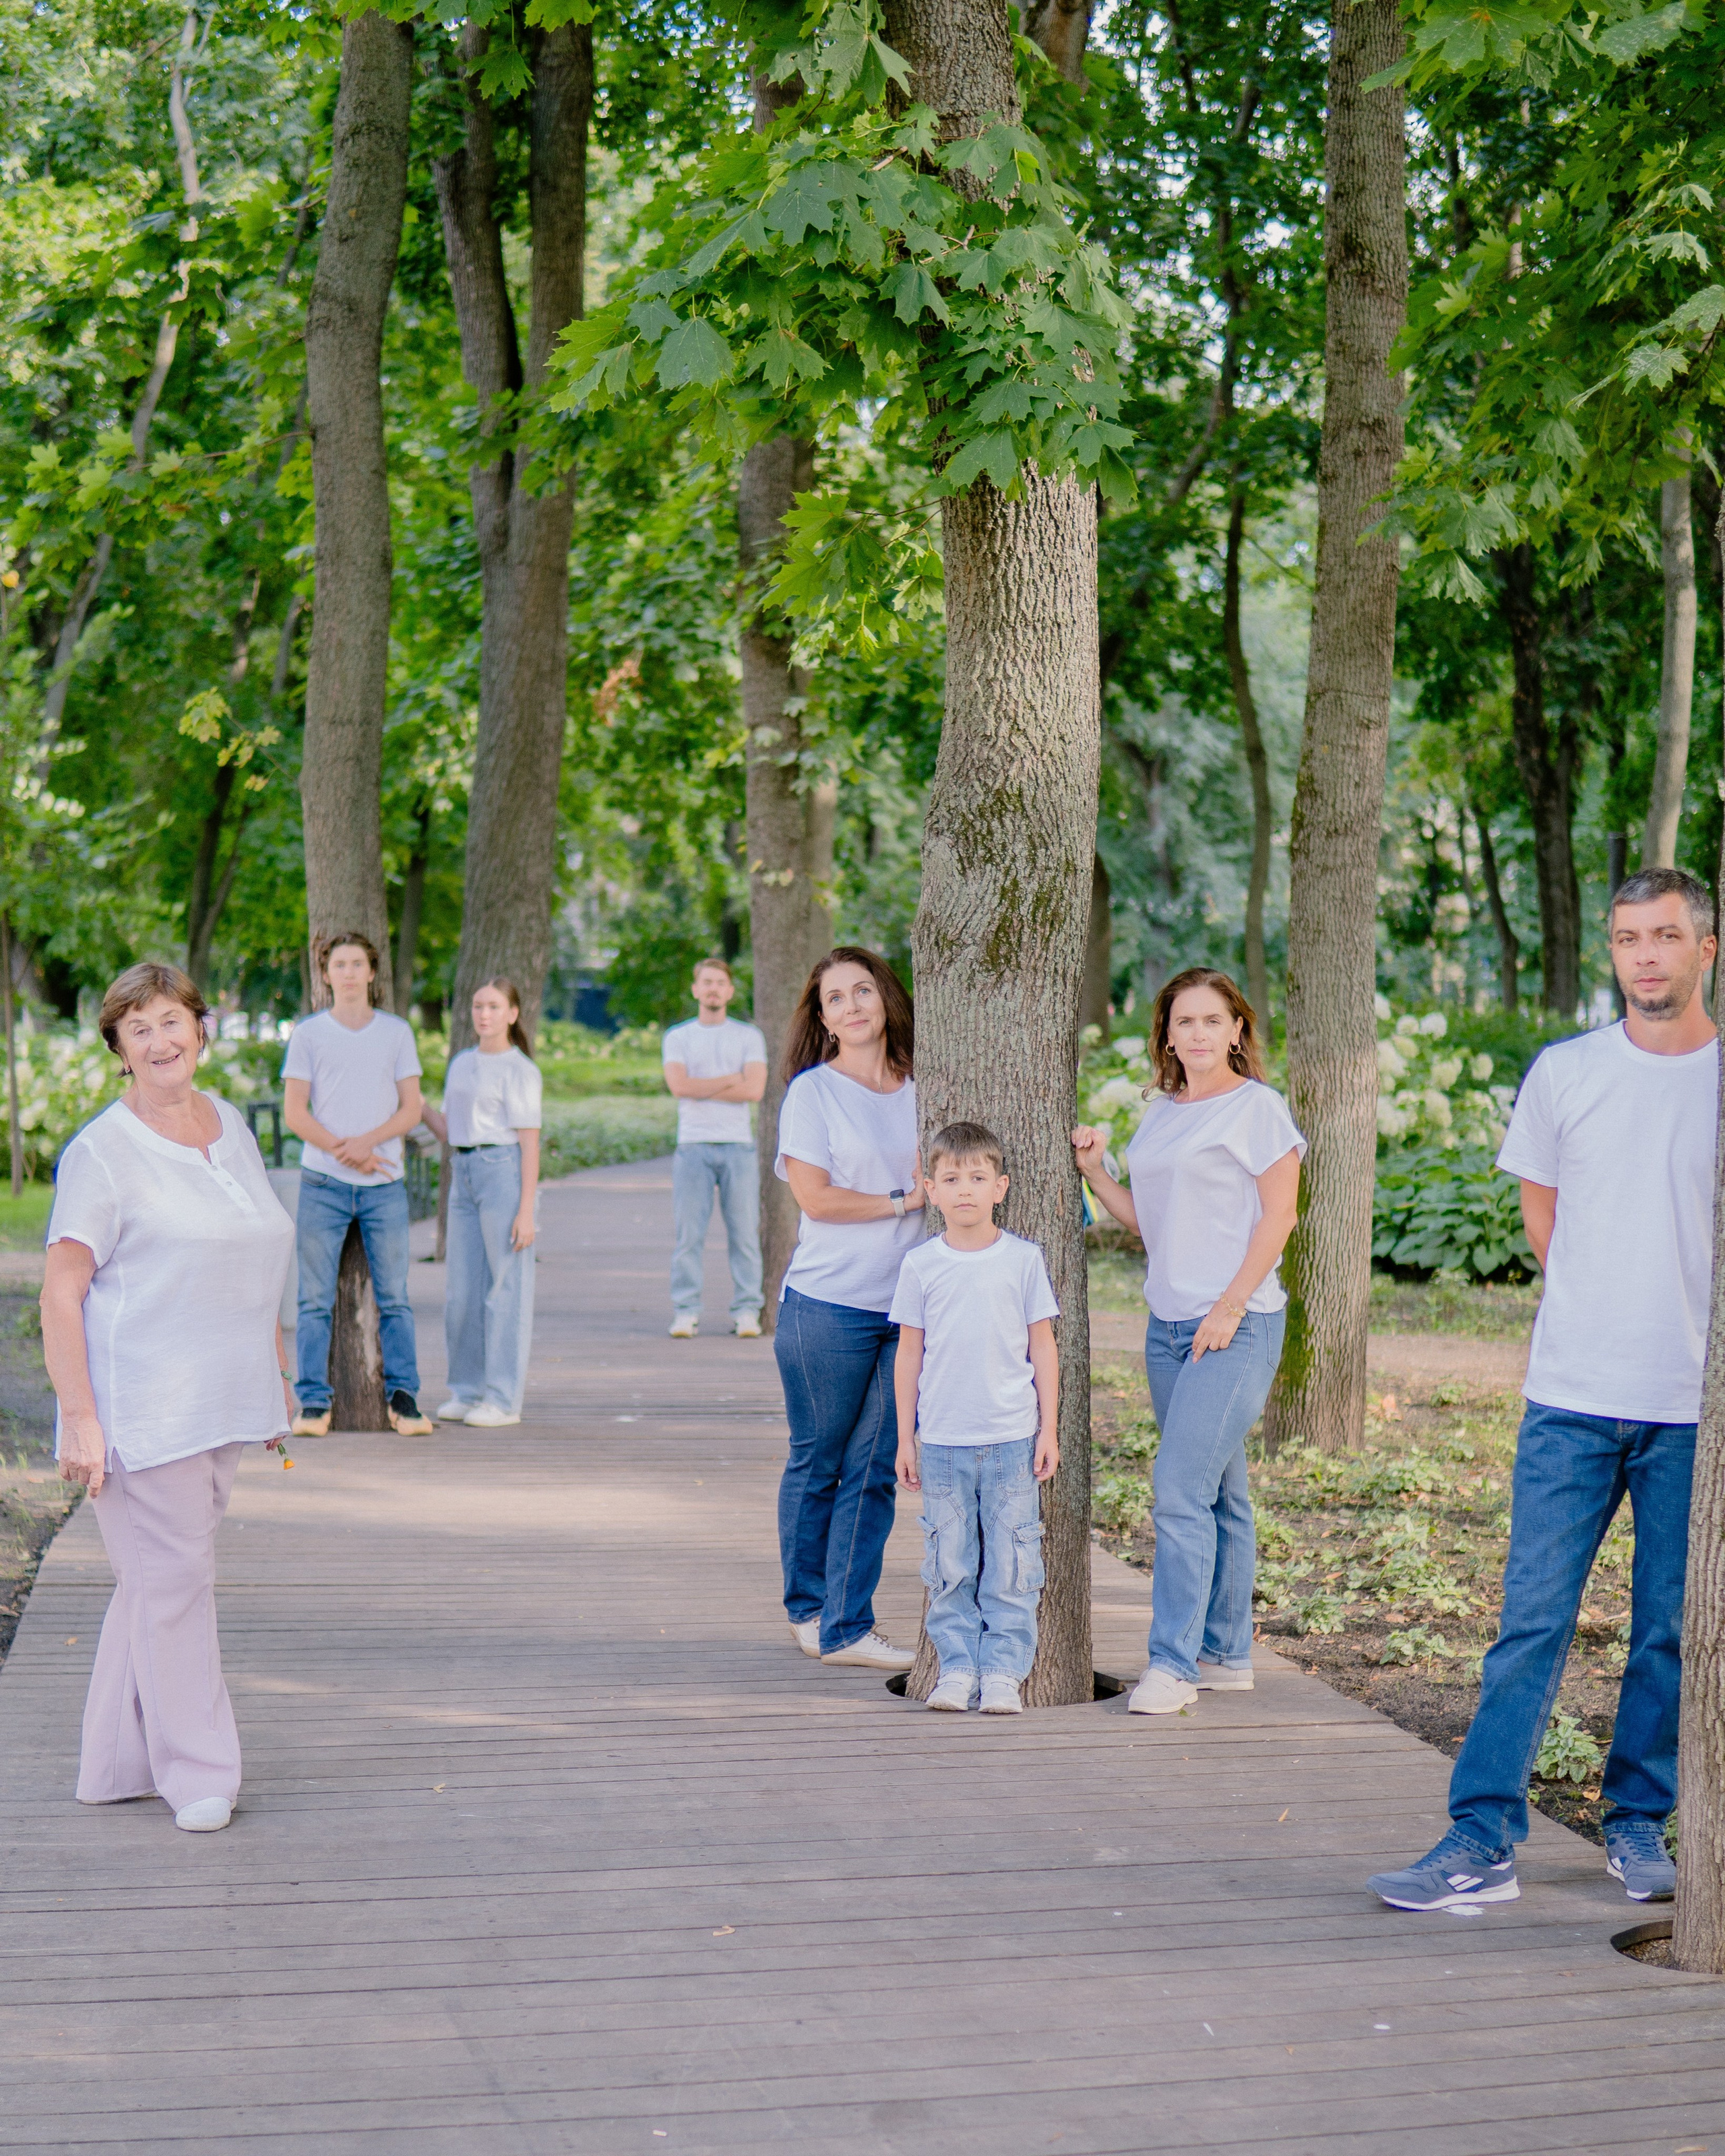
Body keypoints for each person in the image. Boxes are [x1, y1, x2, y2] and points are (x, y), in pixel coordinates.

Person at [1369, 866, 1716, 1912]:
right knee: (1530, 1624)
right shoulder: (1565, 1073)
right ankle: (1482, 1836)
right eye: (1627, 937)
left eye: (1665, 935)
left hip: (1695, 1410)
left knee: (1666, 1628)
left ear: (1706, 948)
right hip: (1570, 1396)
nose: (1644, 956)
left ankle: (1637, 1821)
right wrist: (1603, 1307)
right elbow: (1543, 1215)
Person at [42, 963, 295, 1834]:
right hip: (141, 1409)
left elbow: (255, 1245)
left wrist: (274, 1369)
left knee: (155, 1581)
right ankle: (198, 1770)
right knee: (176, 1582)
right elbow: (61, 1292)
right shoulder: (101, 1154)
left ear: (201, 1028)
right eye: (139, 1027)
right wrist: (81, 1418)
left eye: (172, 1020)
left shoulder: (228, 1124)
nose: (160, 1040)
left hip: (221, 1399)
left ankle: (115, 1763)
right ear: (118, 1046)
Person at [1073, 967, 1303, 1717]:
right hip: (1167, 1327)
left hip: (1235, 1326)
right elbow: (1151, 1220)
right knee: (1221, 1494)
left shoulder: (1258, 1108)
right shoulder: (1163, 1114)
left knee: (1178, 1490)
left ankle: (1172, 1665)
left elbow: (1280, 1217)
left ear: (1237, 1029)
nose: (1198, 1033)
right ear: (1166, 1036)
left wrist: (1228, 1308)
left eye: (1212, 1019)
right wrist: (1094, 1173)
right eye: (1184, 1021)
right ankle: (1226, 1655)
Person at [775, 946, 922, 1672]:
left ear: (886, 997)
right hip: (828, 1305)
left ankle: (847, 1625)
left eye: (863, 990)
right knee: (820, 1460)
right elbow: (816, 1198)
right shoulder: (813, 1092)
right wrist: (904, 1200)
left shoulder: (927, 1083)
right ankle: (808, 1610)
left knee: (876, 1469)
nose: (853, 1005)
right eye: (836, 998)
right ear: (824, 1019)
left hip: (911, 1312)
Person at [891, 1122, 1060, 1715]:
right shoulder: (921, 1265)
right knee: (950, 1565)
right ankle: (957, 1668)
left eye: (978, 1178)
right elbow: (909, 1353)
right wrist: (906, 1438)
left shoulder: (1023, 1260)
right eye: (951, 1178)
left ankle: (1004, 1674)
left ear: (1000, 1187)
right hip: (942, 1442)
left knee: (1013, 1564)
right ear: (931, 1190)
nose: (965, 1189)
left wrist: (1048, 1429)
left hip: (1012, 1439)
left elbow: (1043, 1346)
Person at [282, 932, 433, 1438]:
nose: (348, 973)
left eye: (357, 964)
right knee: (313, 1300)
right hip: (323, 1183)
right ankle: (313, 1404)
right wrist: (344, 1150)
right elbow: (295, 1113)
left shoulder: (396, 1033)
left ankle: (404, 1400)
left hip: (384, 1185)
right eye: (339, 965)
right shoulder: (308, 1035)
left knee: (396, 1298)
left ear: (371, 972)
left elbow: (411, 1109)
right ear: (326, 974)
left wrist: (366, 1144)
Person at [421, 978, 542, 1428]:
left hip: (503, 1172)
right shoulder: (461, 1064)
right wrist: (415, 1102)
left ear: (512, 1014)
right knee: (462, 1291)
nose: (484, 1014)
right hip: (464, 1173)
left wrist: (526, 1210)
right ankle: (466, 1390)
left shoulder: (520, 1070)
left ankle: (503, 1400)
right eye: (477, 1006)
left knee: (507, 1289)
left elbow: (530, 1144)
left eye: (493, 1006)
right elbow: (449, 1130)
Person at [662, 958, 768, 1339]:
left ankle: (747, 1311)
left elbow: (754, 1090)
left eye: (720, 983)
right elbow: (679, 1087)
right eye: (706, 982)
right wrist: (730, 1079)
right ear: (695, 989)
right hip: (692, 1146)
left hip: (738, 1147)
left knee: (744, 1235)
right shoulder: (678, 1037)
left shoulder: (748, 1037)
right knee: (689, 1237)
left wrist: (701, 1086)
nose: (713, 989)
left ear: (730, 991)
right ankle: (686, 1311)